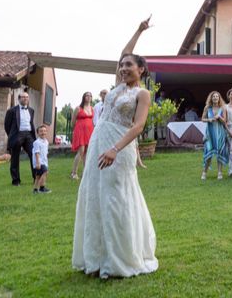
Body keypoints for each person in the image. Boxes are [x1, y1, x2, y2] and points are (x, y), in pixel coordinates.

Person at [73, 16, 158, 279]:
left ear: (141, 69)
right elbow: (123, 52)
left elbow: (138, 127)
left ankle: (119, 258)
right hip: (99, 142)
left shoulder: (142, 94)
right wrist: (139, 30)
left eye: (129, 65)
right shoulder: (118, 85)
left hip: (119, 149)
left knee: (116, 199)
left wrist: (115, 149)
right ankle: (97, 258)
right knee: (95, 196)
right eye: (121, 66)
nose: (123, 68)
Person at [3, 91, 36, 186]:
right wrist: (12, 135)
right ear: (19, 99)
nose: (25, 99)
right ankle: (16, 181)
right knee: (15, 158)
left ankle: (36, 178)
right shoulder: (12, 110)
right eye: (23, 97)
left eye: (27, 97)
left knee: (33, 154)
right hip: (17, 135)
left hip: (29, 135)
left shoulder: (31, 110)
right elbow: (7, 125)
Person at [201, 91, 229, 180]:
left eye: (217, 96)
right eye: (214, 96)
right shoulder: (207, 107)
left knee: (220, 152)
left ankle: (220, 173)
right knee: (208, 151)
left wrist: (219, 117)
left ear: (219, 98)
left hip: (220, 133)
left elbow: (225, 121)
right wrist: (209, 120)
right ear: (211, 98)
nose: (215, 98)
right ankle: (204, 172)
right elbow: (202, 119)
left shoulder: (223, 108)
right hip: (210, 132)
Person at [70, 92, 94, 180]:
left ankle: (85, 173)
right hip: (80, 131)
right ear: (83, 97)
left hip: (89, 131)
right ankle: (74, 173)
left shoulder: (92, 108)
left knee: (87, 152)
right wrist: (77, 130)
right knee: (81, 152)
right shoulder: (78, 108)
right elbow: (73, 122)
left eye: (90, 96)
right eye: (87, 95)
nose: (89, 97)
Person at [32, 125, 51, 194]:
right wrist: (38, 162)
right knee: (45, 172)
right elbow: (36, 153)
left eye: (44, 131)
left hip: (44, 161)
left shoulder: (46, 142)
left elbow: (45, 152)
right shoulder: (37, 142)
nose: (43, 132)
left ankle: (35, 189)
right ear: (38, 133)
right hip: (39, 162)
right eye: (41, 131)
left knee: (38, 176)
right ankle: (41, 188)